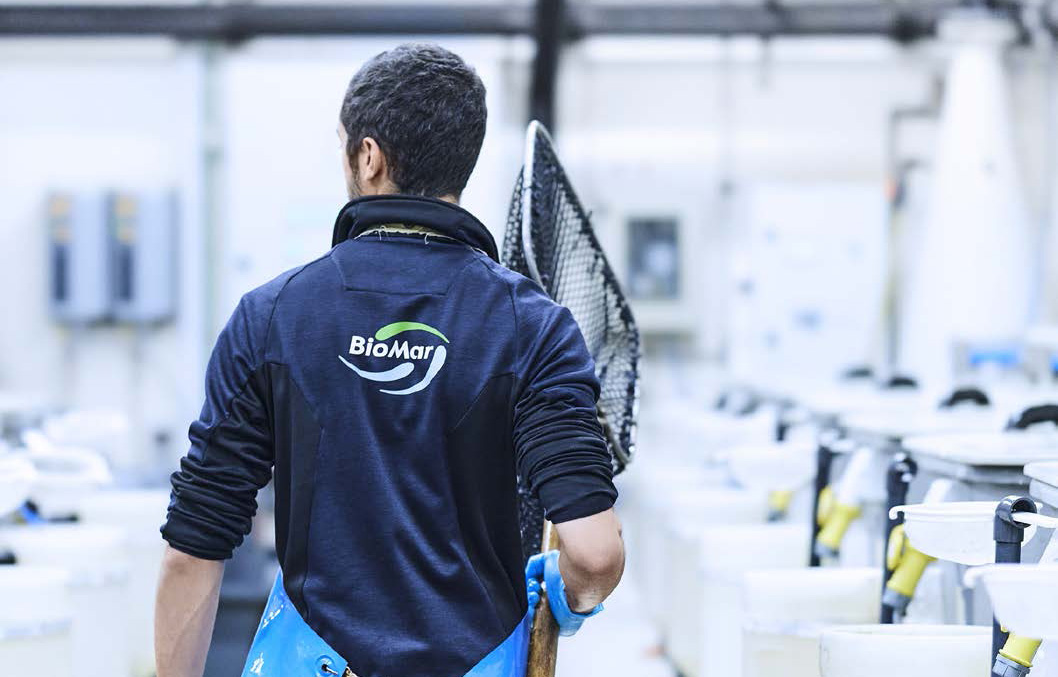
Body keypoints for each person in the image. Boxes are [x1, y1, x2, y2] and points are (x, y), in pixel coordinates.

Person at [154, 42, 625, 677]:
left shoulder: (273, 315)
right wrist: (568, 596)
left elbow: (193, 548)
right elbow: (596, 555)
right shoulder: (534, 326)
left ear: (368, 157)